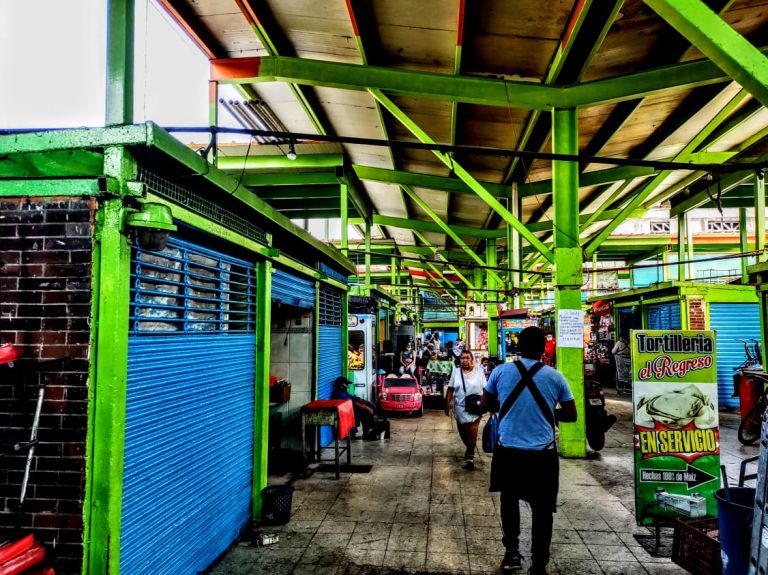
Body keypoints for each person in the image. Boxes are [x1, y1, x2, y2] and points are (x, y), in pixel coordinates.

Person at [481, 326, 577, 574]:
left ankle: (512, 554)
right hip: (542, 456)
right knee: (543, 511)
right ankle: (539, 565)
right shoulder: (556, 377)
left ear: (518, 347)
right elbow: (571, 414)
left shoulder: (500, 372)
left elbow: (484, 404)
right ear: (544, 349)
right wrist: (546, 412)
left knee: (509, 503)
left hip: (508, 452)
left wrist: (506, 406)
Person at [444, 350, 487, 470]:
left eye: (467, 358)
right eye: (462, 358)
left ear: (472, 359)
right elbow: (451, 388)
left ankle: (470, 457)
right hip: (460, 407)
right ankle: (469, 448)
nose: (464, 360)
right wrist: (446, 403)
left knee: (472, 433)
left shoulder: (479, 372)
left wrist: (488, 403)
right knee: (463, 432)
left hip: (475, 408)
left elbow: (486, 389)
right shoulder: (456, 372)